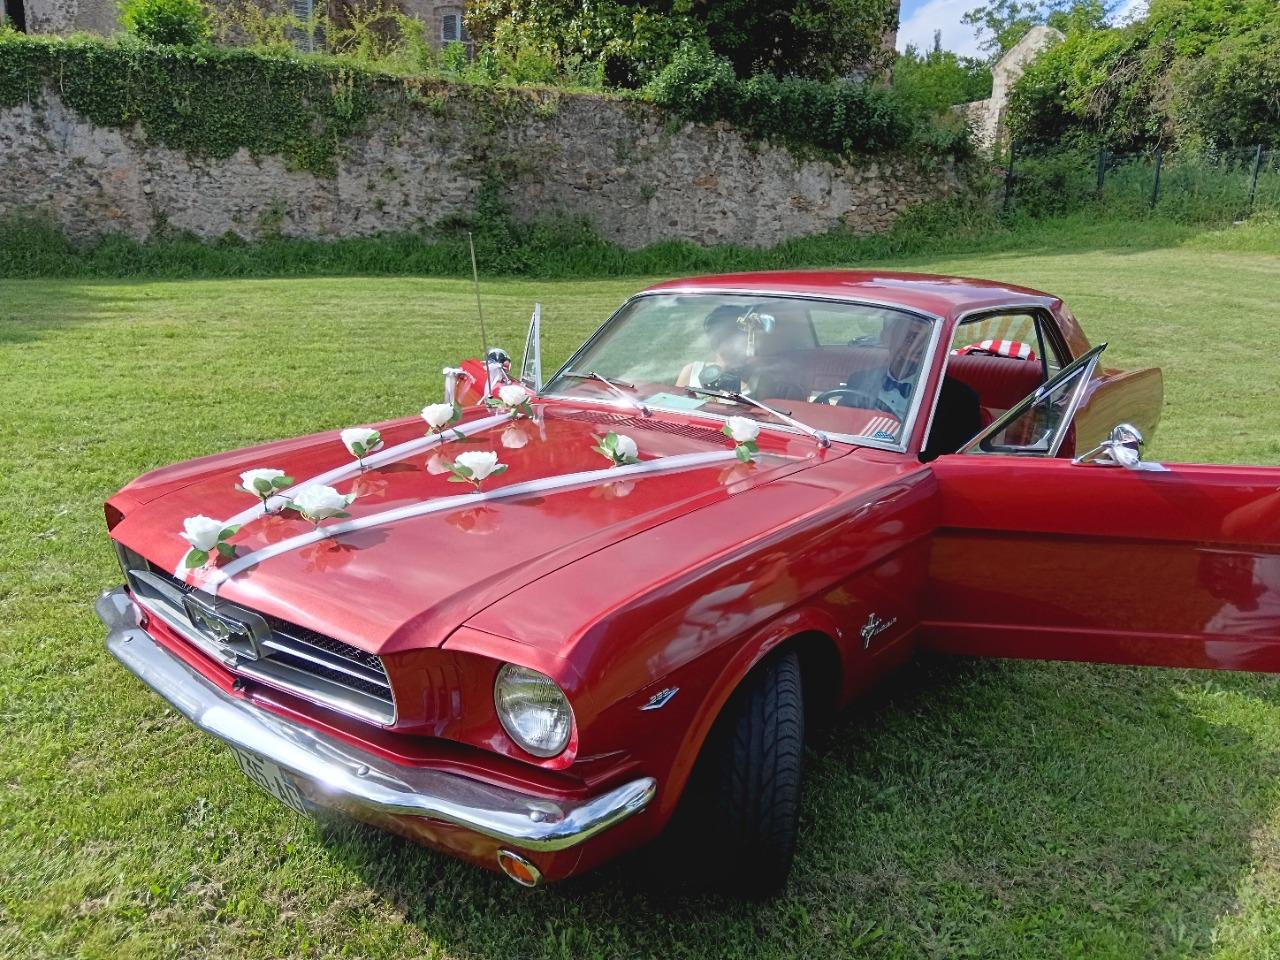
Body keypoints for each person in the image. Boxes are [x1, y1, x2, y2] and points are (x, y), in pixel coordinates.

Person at [677, 305, 749, 390]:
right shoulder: (692, 371)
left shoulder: (757, 380)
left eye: (736, 333)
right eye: (720, 334)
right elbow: (672, 402)